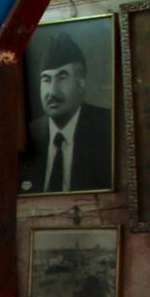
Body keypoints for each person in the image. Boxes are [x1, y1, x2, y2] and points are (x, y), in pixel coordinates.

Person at [19, 25, 112, 194]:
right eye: (46, 80)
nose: (52, 92)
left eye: (62, 78)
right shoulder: (29, 134)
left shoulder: (108, 128)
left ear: (81, 83)